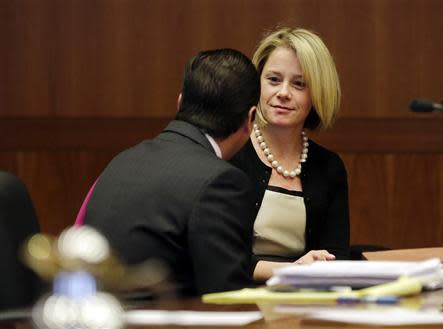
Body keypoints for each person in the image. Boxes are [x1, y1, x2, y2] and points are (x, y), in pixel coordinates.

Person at [84, 49, 260, 295]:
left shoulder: (124, 160)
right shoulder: (221, 182)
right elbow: (227, 299)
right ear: (250, 119)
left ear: (179, 102)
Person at [231, 27, 350, 282]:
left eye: (299, 84)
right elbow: (222, 256)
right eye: (273, 80)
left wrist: (315, 268)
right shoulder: (230, 155)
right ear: (256, 84)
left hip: (308, 300)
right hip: (238, 297)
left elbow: (337, 254)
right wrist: (292, 270)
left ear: (317, 94)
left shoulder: (329, 166)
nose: (283, 93)